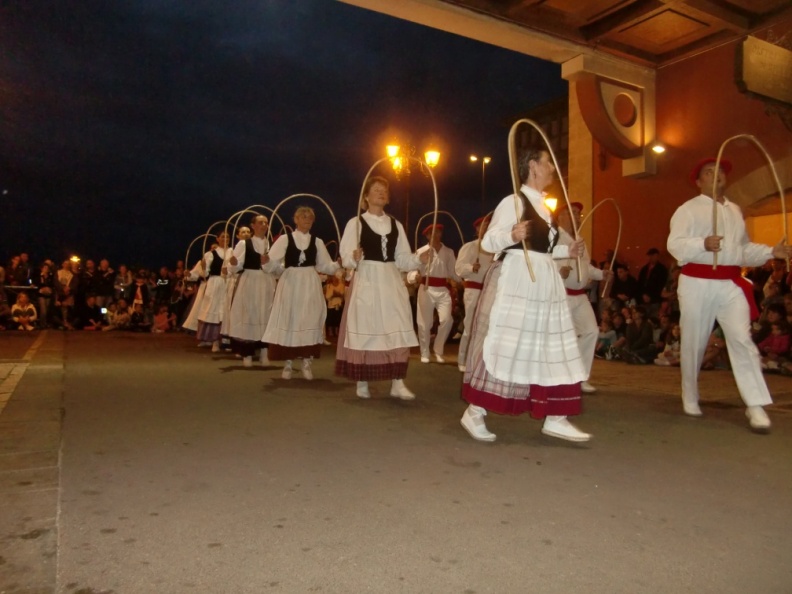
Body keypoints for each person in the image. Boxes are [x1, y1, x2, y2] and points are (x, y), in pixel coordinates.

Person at [460, 146, 590, 443]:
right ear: (533, 166)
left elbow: (542, 249)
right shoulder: (514, 202)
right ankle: (475, 411)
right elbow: (489, 242)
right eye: (548, 163)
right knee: (508, 342)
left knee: (551, 345)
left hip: (544, 282)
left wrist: (566, 250)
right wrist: (511, 235)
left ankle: (556, 416)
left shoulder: (544, 206)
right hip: (518, 279)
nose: (553, 169)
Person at [667, 157, 792, 433]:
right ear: (698, 181)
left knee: (742, 339)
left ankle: (755, 404)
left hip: (730, 283)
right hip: (697, 282)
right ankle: (690, 393)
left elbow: (743, 249)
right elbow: (674, 245)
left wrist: (771, 252)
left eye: (720, 171)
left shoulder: (735, 210)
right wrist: (702, 243)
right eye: (709, 172)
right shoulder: (688, 209)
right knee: (694, 340)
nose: (717, 175)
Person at [335, 176, 426, 400]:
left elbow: (402, 258)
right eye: (375, 189)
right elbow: (346, 257)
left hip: (390, 281)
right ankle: (362, 380)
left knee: (397, 327)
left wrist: (418, 259)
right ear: (366, 196)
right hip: (367, 278)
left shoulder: (395, 225)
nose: (381, 193)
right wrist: (353, 257)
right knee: (367, 327)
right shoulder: (356, 223)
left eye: (384, 190)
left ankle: (397, 382)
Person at [262, 207, 340, 380]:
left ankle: (307, 363)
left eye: (310, 218)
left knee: (309, 318)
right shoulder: (285, 239)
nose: (307, 220)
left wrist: (338, 264)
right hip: (290, 282)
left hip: (310, 283)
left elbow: (325, 266)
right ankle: (288, 364)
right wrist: (266, 261)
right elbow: (272, 265)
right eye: (303, 217)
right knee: (290, 318)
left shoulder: (317, 241)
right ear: (295, 219)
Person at [555, 201, 610, 392]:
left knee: (591, 331)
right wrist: (557, 271)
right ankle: (560, 376)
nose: (576, 217)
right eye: (572, 212)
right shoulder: (553, 237)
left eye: (578, 213)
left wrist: (601, 274)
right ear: (560, 216)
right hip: (561, 294)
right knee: (562, 337)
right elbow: (543, 261)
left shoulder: (580, 240)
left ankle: (580, 376)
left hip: (580, 295)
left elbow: (586, 266)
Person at [226, 215, 277, 366]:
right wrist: (233, 263)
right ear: (253, 225)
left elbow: (278, 267)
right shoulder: (244, 244)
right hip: (250, 281)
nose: (264, 225)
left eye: (266, 223)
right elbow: (235, 267)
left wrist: (270, 264)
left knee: (266, 315)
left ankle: (264, 352)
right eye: (260, 222)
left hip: (267, 282)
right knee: (249, 315)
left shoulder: (271, 245)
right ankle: (247, 354)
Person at [415, 223, 460, 364]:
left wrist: (464, 277)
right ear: (427, 236)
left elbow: (453, 272)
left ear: (441, 234)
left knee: (447, 320)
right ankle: (425, 352)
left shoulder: (448, 252)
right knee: (424, 323)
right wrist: (414, 277)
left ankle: (438, 350)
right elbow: (413, 269)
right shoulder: (421, 251)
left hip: (443, 289)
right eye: (432, 233)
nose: (435, 235)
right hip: (426, 288)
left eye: (438, 232)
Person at [454, 216, 495, 372]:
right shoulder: (470, 247)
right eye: (483, 226)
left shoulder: (496, 249)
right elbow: (459, 269)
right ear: (477, 229)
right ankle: (463, 359)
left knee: (488, 327)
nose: (486, 228)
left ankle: (481, 360)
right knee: (470, 325)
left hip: (490, 291)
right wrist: (471, 268)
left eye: (489, 225)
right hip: (474, 290)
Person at [185, 232, 231, 351]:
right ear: (218, 239)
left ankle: (226, 341)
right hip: (215, 283)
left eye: (227, 237)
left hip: (228, 284)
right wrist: (204, 268)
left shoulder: (232, 252)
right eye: (222, 237)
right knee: (213, 311)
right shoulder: (210, 254)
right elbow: (204, 274)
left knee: (226, 311)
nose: (225, 239)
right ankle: (214, 340)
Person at [637, 248, 668, 316]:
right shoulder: (644, 269)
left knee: (654, 317)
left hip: (655, 300)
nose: (651, 258)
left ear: (657, 256)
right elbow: (640, 284)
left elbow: (661, 285)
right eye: (650, 256)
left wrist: (651, 296)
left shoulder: (662, 269)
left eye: (653, 256)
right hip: (643, 299)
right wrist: (643, 294)